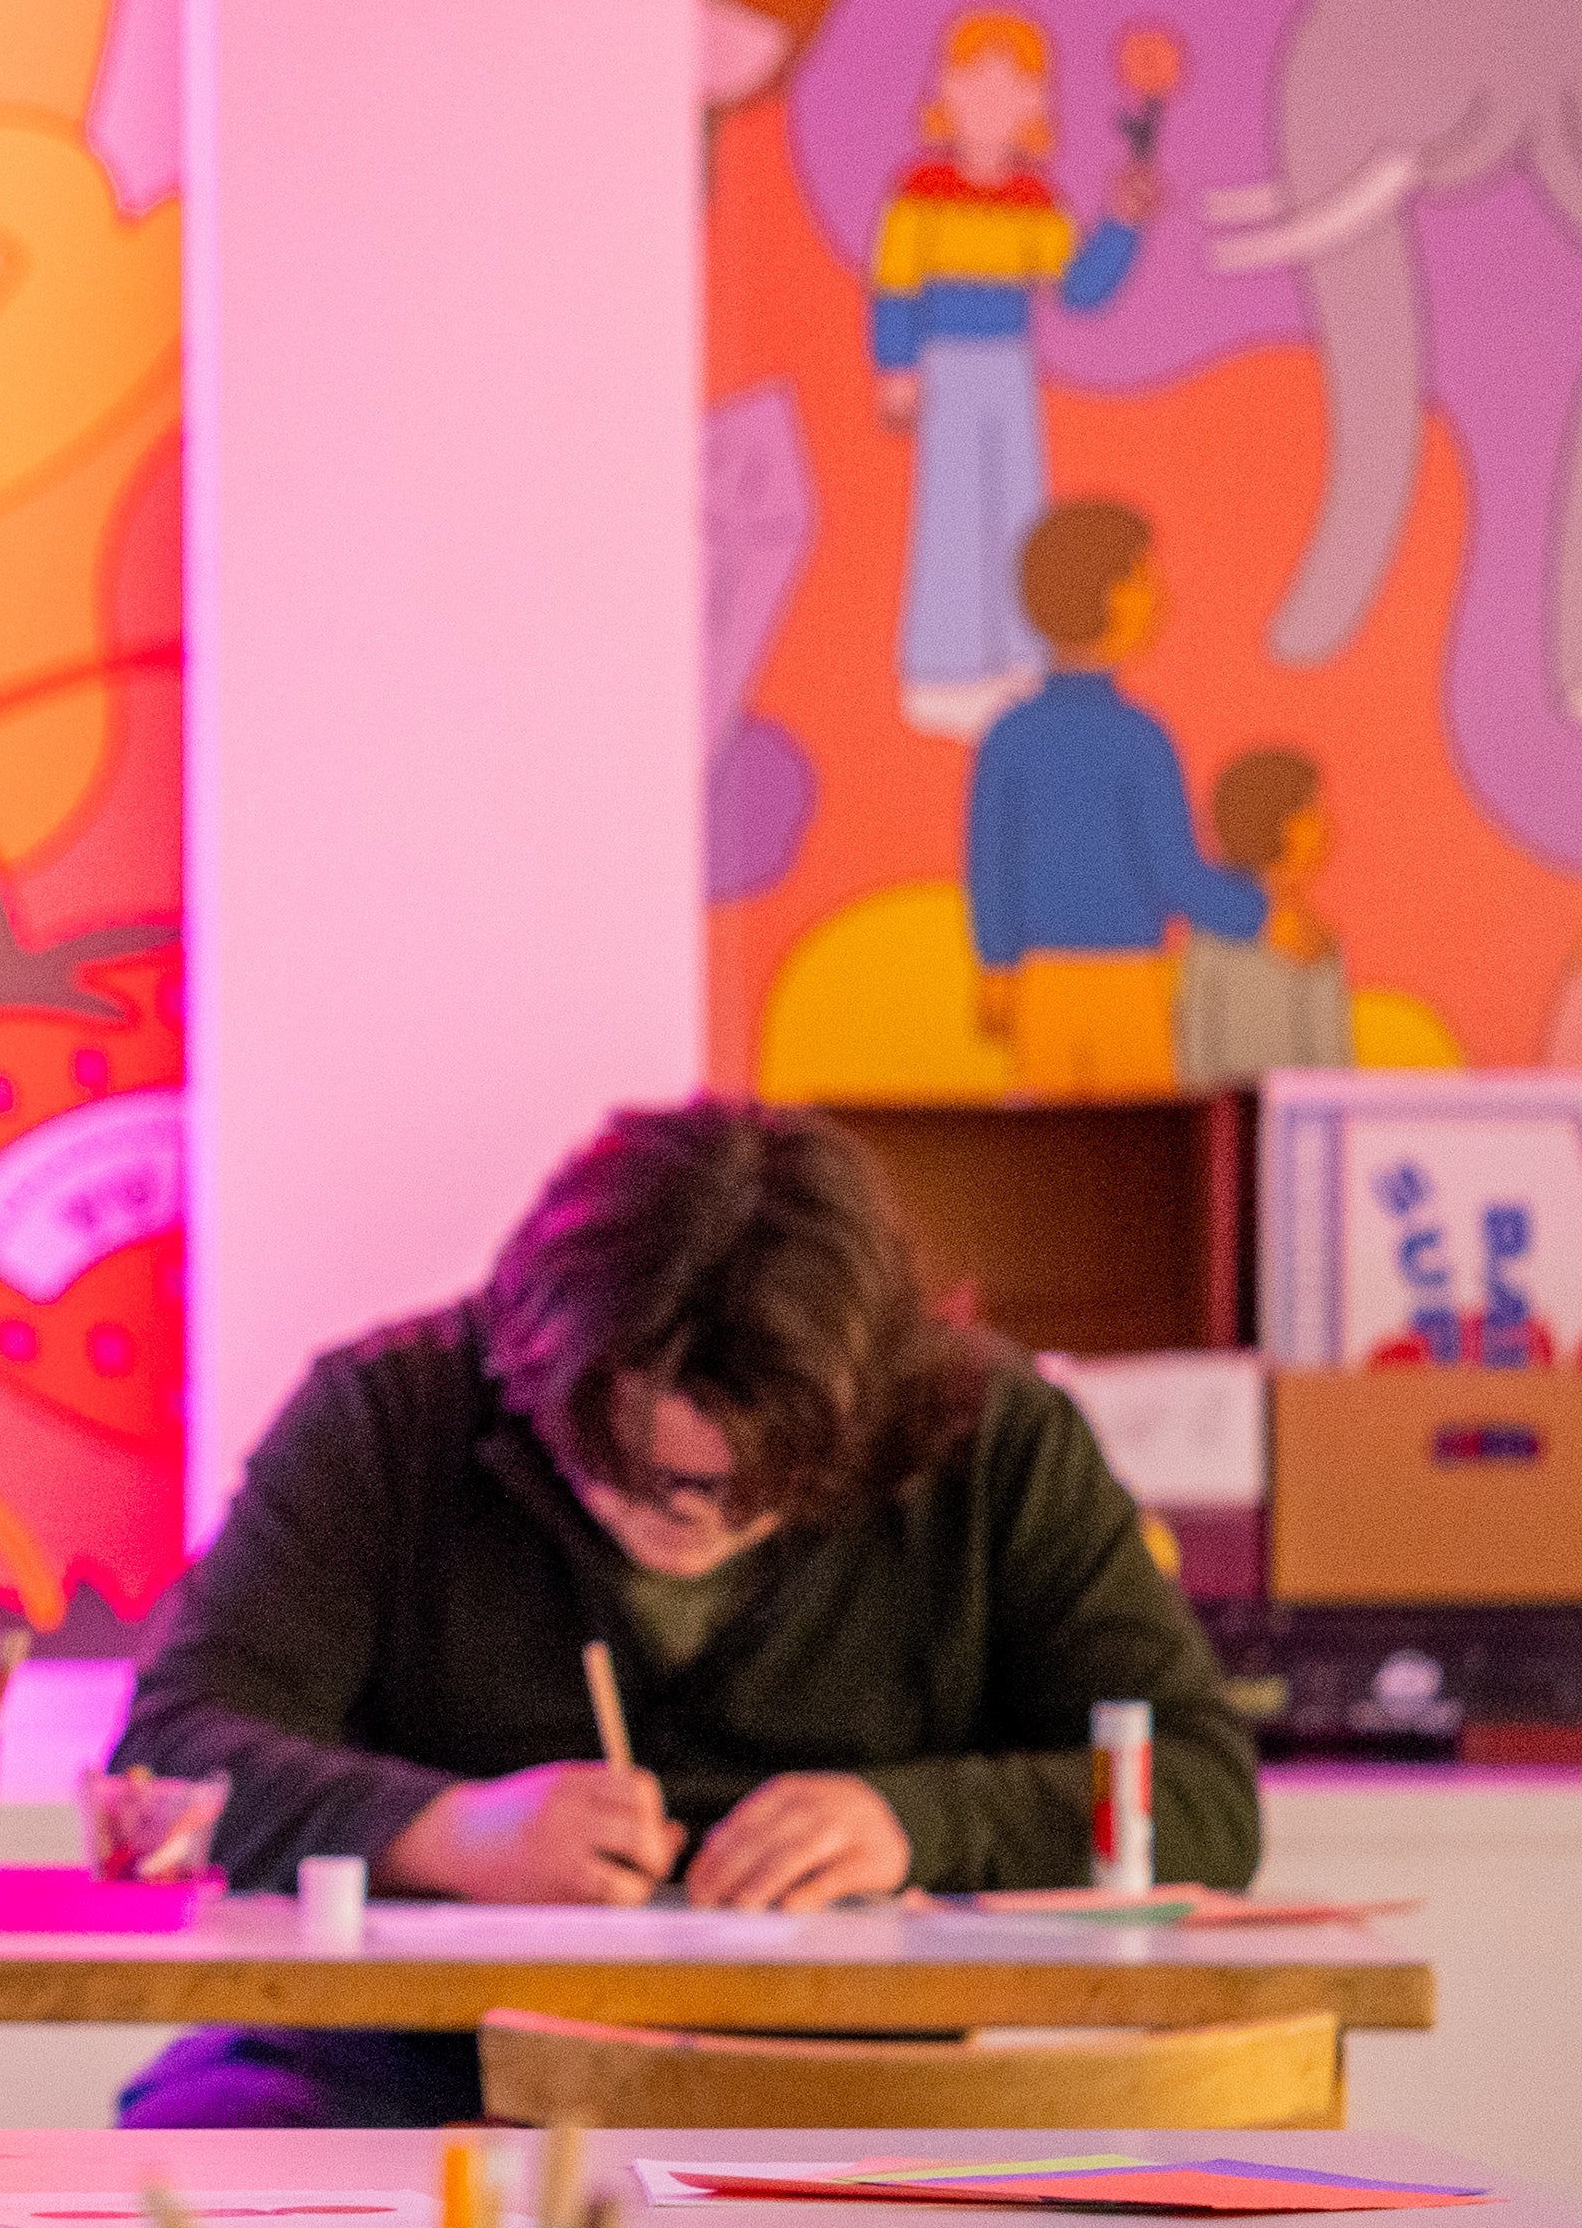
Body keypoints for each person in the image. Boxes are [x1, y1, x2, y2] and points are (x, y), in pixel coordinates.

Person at [108, 1095, 1252, 2137]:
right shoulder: (394, 1417)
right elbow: (168, 1762)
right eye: (619, 1463)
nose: (680, 1516)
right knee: (183, 2172)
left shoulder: (991, 1435)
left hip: (848, 2103)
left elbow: (1199, 1793)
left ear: (866, 1426)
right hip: (421, 2075)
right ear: (532, 1365)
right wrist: (453, 1835)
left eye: (750, 1487)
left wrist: (913, 1824)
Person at [869, 8, 1154, 739]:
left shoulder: (1034, 201)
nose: (993, 100)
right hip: (948, 370)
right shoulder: (917, 192)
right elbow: (894, 287)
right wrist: (896, 370)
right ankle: (946, 673)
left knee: (1018, 509)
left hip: (1010, 372)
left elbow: (1081, 289)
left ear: (1036, 106)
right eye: (976, 82)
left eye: (1014, 86)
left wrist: (1122, 221)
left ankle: (1020, 665)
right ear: (946, 92)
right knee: (953, 519)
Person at [966, 500, 1262, 1095]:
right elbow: (1173, 873)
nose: (1159, 597)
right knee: (1134, 1139)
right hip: (1124, 982)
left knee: (1046, 1146)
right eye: (1146, 578)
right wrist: (1258, 915)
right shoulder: (1140, 738)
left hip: (1042, 981)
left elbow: (989, 865)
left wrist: (996, 962)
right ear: (1111, 595)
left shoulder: (1009, 733)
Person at [1177, 744, 1352, 1086]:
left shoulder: (1318, 938)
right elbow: (1196, 1055)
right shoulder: (1217, 936)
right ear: (1274, 823)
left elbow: (1332, 1065)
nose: (1326, 825)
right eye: (1310, 812)